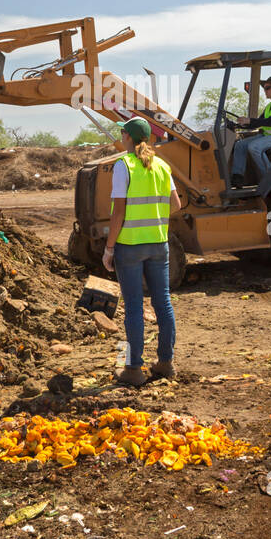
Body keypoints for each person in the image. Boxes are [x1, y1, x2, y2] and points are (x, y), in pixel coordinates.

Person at [102, 116, 181, 388]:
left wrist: (109, 248)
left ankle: (134, 370)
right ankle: (165, 363)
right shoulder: (162, 166)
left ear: (127, 137)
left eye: (122, 133)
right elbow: (177, 205)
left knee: (134, 307)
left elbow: (119, 213)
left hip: (130, 246)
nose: (121, 137)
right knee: (163, 303)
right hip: (159, 244)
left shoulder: (124, 166)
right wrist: (155, 218)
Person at [230, 76, 271, 187]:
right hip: (267, 136)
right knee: (240, 145)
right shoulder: (270, 106)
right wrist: (238, 125)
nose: (264, 91)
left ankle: (270, 178)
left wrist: (249, 120)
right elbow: (259, 122)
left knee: (254, 147)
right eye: (264, 88)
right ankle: (238, 177)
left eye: (267, 88)